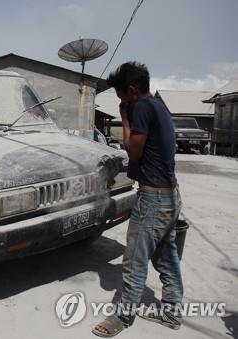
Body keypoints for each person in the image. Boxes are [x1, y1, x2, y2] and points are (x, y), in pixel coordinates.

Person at [92, 62, 183, 337]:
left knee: (134, 260)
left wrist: (125, 118)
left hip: (153, 198)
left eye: (121, 96)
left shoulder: (141, 108)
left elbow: (133, 152)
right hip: (170, 195)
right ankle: (172, 312)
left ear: (131, 90)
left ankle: (123, 316)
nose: (121, 102)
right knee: (167, 257)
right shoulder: (158, 106)